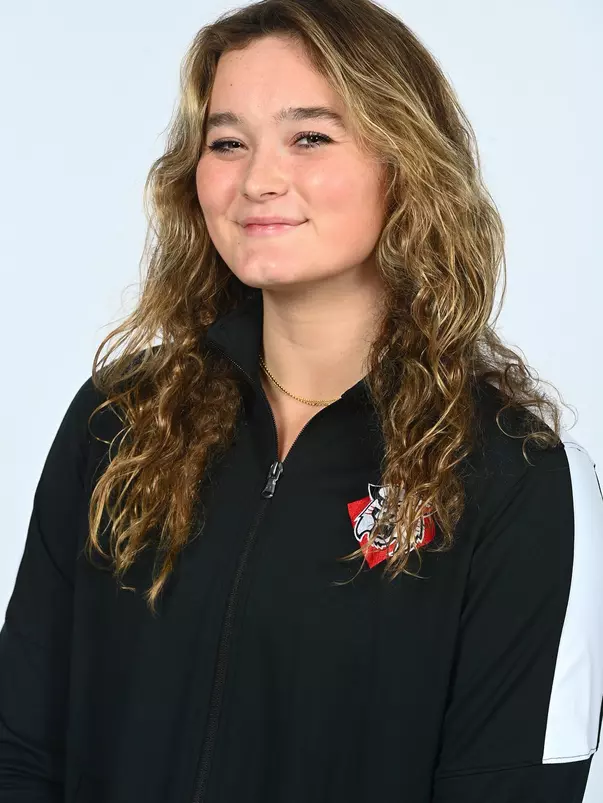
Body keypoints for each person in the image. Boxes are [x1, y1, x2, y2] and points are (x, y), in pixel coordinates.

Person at [1, 1, 602, 801]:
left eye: (309, 136)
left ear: (404, 159)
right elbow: (21, 745)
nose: (257, 179)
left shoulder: (516, 477)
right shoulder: (119, 421)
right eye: (226, 142)